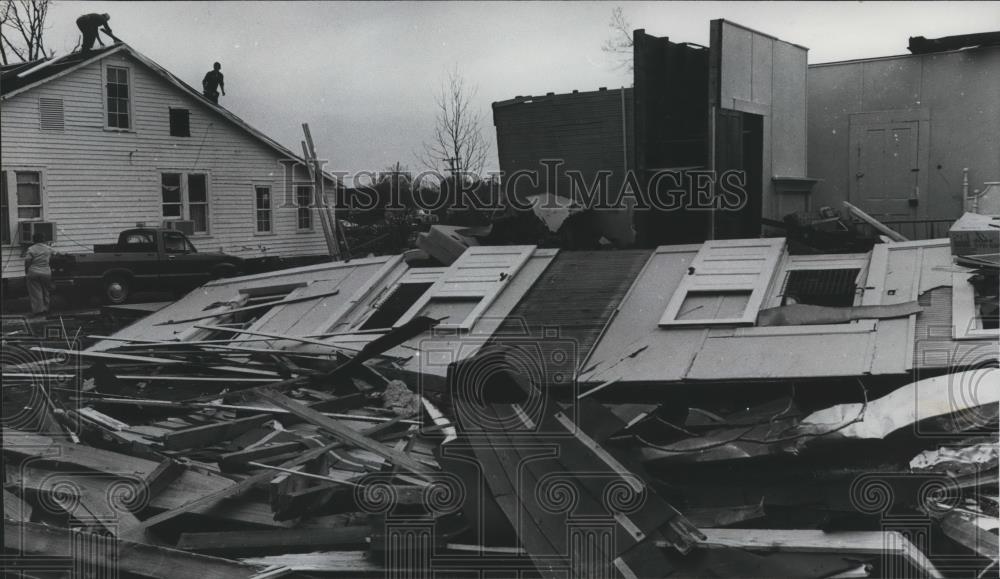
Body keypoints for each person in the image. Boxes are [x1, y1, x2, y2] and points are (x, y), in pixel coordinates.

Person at [24, 233, 54, 318]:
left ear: (34, 240)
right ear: (43, 239)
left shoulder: (31, 249)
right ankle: (46, 309)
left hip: (33, 271)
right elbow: (55, 254)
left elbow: (27, 261)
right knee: (46, 291)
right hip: (46, 272)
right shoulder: (48, 248)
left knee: (35, 292)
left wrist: (26, 270)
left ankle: (38, 311)